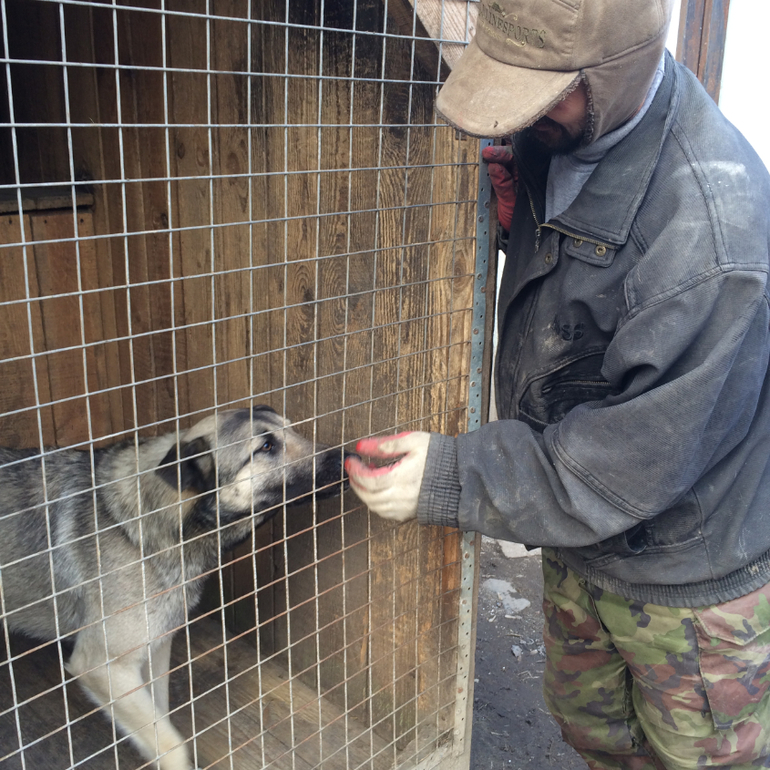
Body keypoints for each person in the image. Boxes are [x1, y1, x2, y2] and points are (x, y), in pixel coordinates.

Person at [345, 0, 770, 768]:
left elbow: (628, 466)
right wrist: (527, 227)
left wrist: (451, 477)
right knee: (593, 731)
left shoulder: (712, 240)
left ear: (614, 73)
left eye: (543, 93)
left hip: (686, 576)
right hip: (578, 534)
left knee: (699, 756)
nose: (519, 114)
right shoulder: (566, 132)